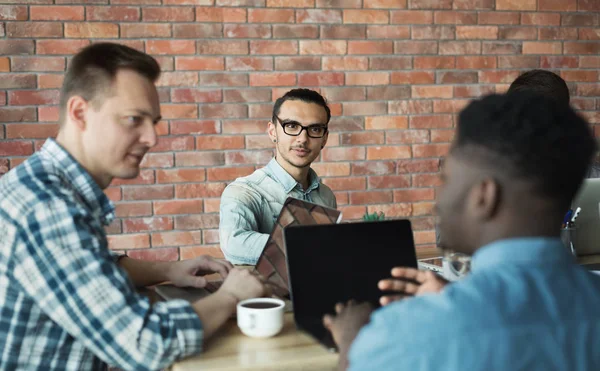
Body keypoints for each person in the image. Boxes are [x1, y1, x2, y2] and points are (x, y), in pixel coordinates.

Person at [0, 43, 267, 371]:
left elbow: (86, 265)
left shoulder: (40, 184)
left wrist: (167, 271)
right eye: (133, 119)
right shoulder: (48, 209)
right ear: (79, 113)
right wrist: (231, 296)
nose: (152, 138)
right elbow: (145, 342)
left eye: (152, 121)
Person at [323, 91, 600, 370]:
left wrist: (351, 344)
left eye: (446, 179)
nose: (439, 198)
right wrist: (459, 296)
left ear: (484, 196)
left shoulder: (403, 333)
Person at [219, 88, 337, 265]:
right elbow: (234, 244)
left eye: (314, 129)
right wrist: (308, 244)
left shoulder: (326, 196)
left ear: (324, 138)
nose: (302, 138)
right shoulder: (244, 191)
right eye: (291, 126)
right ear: (273, 131)